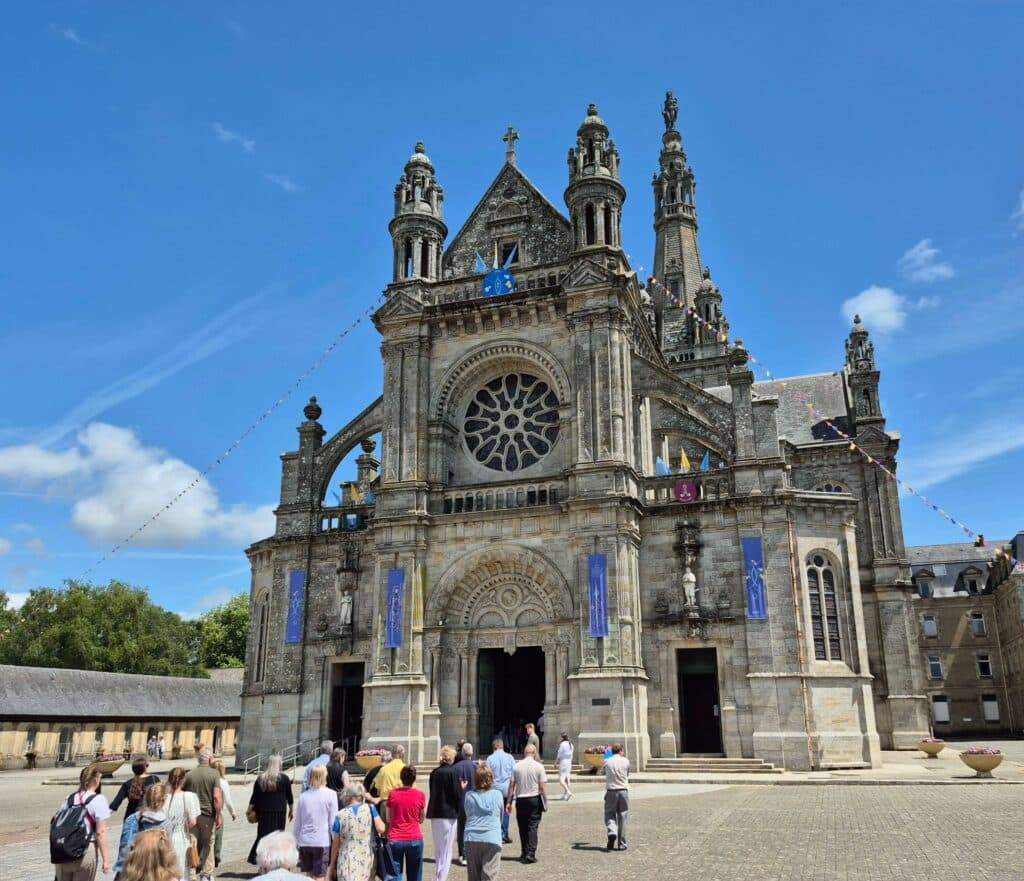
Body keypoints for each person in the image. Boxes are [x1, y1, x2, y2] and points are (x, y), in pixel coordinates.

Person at [52, 763, 112, 881]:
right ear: (96, 779)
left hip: (63, 851)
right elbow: (101, 832)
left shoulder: (69, 798)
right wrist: (106, 860)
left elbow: (55, 821)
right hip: (84, 851)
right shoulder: (98, 799)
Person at [328, 783, 385, 881]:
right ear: (361, 795)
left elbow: (336, 843)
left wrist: (332, 865)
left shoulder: (339, 815)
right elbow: (381, 828)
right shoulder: (370, 809)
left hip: (346, 859)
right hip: (366, 857)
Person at [113, 783, 170, 880]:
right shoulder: (166, 823)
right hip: (156, 872)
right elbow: (167, 852)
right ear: (163, 800)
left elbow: (125, 848)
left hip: (134, 871)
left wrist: (121, 872)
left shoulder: (132, 819)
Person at [248, 754, 295, 865]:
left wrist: (249, 809)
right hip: (279, 813)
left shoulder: (261, 778)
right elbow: (290, 797)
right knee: (277, 839)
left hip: (263, 812)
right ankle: (275, 861)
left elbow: (254, 797)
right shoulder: (284, 779)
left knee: (263, 837)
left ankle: (261, 860)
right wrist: (292, 810)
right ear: (279, 764)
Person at [184, 748, 222, 881]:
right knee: (208, 844)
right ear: (210, 759)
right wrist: (219, 814)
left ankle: (191, 874)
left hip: (191, 815)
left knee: (191, 844)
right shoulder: (214, 774)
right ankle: (206, 874)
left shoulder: (189, 775)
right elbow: (217, 797)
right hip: (207, 814)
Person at [294, 765, 337, 881]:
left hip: (305, 840)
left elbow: (298, 821)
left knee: (308, 875)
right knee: (320, 876)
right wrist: (336, 840)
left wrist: (296, 840)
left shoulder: (303, 796)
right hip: (321, 840)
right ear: (325, 776)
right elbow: (332, 821)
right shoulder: (331, 794)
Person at [427, 746, 462, 881]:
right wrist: (461, 787)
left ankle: (438, 874)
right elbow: (457, 794)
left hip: (435, 814)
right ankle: (441, 878)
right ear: (450, 757)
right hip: (448, 814)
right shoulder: (452, 772)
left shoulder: (434, 772)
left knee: (439, 849)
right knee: (447, 850)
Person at [506, 744, 546, 864]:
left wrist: (509, 801)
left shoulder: (516, 766)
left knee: (522, 827)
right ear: (534, 753)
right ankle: (530, 853)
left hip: (521, 800)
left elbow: (512, 786)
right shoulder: (539, 766)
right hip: (534, 799)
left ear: (524, 753)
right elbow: (543, 787)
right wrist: (546, 801)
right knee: (532, 826)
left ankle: (524, 851)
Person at [462, 765, 503, 881]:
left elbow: (467, 814)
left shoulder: (469, 795)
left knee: (473, 877)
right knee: (489, 876)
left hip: (471, 836)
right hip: (491, 836)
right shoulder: (497, 795)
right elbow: (500, 817)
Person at [386, 765, 426, 881]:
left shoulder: (393, 794)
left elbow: (388, 818)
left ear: (401, 778)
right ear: (414, 779)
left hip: (396, 837)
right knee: (415, 875)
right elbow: (421, 819)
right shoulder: (420, 795)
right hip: (414, 837)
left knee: (394, 874)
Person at [164, 767, 199, 881]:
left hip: (165, 837)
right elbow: (193, 821)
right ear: (183, 780)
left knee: (167, 870)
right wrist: (184, 826)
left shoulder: (164, 797)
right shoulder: (188, 796)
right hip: (180, 836)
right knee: (181, 869)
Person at [485, 739, 514, 844]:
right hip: (507, 789)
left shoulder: (490, 758)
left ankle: (496, 833)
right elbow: (513, 775)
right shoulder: (510, 757)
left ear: (493, 748)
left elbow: (487, 775)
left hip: (495, 789)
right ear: (502, 746)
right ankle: (504, 833)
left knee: (495, 813)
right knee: (506, 812)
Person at [453, 743, 477, 867]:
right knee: (473, 828)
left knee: (461, 829)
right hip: (474, 802)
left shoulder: (455, 768)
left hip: (461, 802)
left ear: (462, 753)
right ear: (471, 754)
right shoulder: (476, 767)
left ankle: (462, 854)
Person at [602, 743, 630, 851]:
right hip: (623, 791)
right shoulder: (626, 761)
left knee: (609, 814)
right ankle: (622, 843)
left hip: (611, 791)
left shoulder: (607, 761)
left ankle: (612, 832)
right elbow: (627, 774)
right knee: (623, 817)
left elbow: (602, 772)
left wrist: (606, 756)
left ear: (612, 751)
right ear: (621, 751)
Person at [213, 760, 236, 869]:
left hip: (206, 811)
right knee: (218, 836)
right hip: (218, 812)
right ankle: (216, 857)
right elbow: (227, 800)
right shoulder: (223, 782)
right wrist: (233, 812)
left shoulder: (210, 780)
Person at [375, 744, 407, 814]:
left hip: (385, 804)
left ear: (392, 755)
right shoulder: (406, 769)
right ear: (402, 755)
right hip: (401, 804)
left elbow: (378, 791)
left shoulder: (383, 769)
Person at [556, 734, 574, 801]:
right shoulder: (571, 744)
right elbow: (571, 755)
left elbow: (559, 754)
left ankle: (568, 792)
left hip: (563, 762)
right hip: (569, 762)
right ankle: (565, 795)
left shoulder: (563, 744)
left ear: (562, 738)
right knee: (567, 779)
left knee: (561, 779)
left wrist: (556, 763)